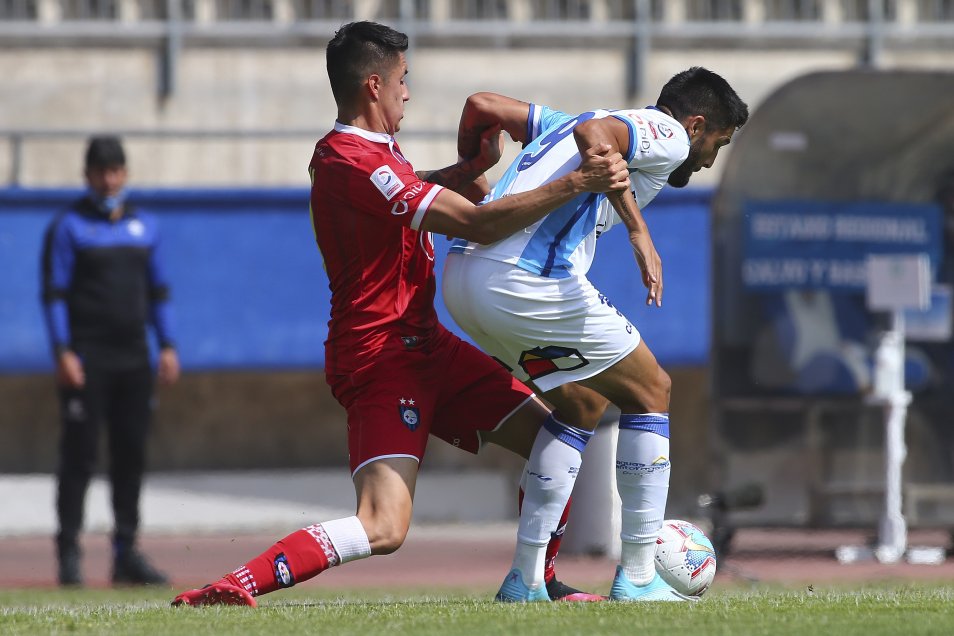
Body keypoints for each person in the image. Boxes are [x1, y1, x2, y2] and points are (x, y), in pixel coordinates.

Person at [171, 21, 630, 607]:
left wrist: (465, 173)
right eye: (403, 80)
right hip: (379, 356)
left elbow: (408, 194)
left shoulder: (372, 157)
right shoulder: (349, 160)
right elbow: (477, 223)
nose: (407, 93)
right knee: (384, 527)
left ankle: (535, 582)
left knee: (558, 435)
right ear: (373, 85)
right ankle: (236, 585)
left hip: (427, 345)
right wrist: (578, 182)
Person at [442, 68, 748, 601]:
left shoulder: (561, 122)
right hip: (522, 279)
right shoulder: (667, 133)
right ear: (696, 126)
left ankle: (527, 580)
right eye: (716, 145)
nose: (708, 161)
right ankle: (637, 575)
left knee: (580, 405)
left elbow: (481, 103)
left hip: (465, 280)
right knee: (652, 390)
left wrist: (475, 166)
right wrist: (638, 230)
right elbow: (597, 137)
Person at [41, 135, 181, 587]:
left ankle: (125, 554)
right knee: (79, 457)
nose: (109, 180)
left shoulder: (143, 226)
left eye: (115, 171)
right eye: (101, 172)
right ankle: (68, 553)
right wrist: (63, 352)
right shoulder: (68, 227)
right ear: (87, 176)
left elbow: (160, 292)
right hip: (87, 359)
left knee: (130, 455)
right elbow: (54, 295)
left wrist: (167, 345)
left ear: (125, 174)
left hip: (133, 360)